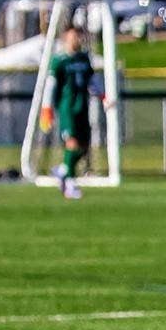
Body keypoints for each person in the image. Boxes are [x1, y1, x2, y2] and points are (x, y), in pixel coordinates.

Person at [47, 26, 109, 200]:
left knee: (83, 147)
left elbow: (92, 80)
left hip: (83, 106)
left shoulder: (84, 59)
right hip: (67, 108)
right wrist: (47, 109)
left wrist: (103, 95)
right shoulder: (59, 61)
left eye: (78, 36)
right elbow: (51, 85)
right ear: (66, 39)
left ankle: (63, 170)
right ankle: (70, 184)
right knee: (72, 143)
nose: (77, 40)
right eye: (73, 36)